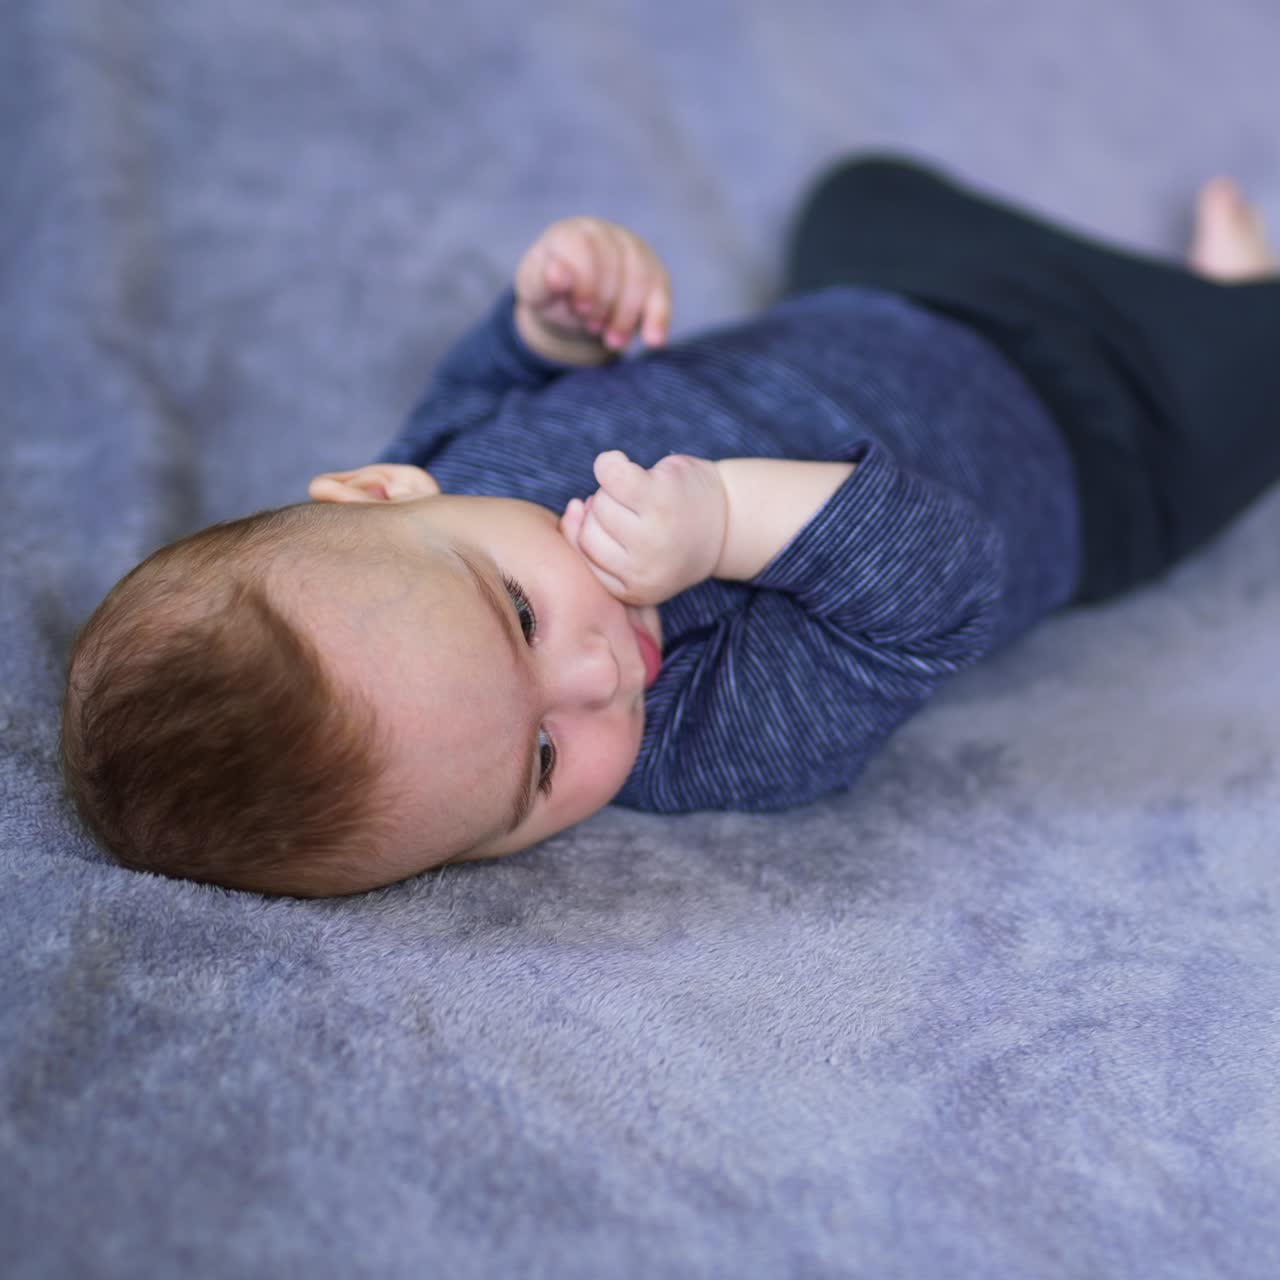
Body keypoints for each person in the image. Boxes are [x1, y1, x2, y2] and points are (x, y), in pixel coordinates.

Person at [58, 153, 1280, 898]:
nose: (593, 676)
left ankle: (1199, 303)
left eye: (520, 614)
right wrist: (725, 520)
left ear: (385, 493)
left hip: (886, 305)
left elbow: (487, 388)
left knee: (858, 190)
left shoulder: (440, 466)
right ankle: (1230, 299)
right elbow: (950, 578)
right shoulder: (708, 734)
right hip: (1112, 438)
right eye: (539, 768)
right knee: (1256, 372)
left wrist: (553, 322)